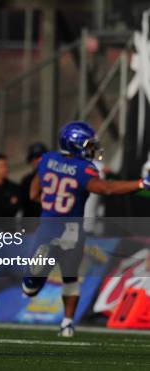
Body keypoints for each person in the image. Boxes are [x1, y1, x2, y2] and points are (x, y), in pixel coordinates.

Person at [22, 121, 150, 337]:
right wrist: (141, 184)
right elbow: (106, 188)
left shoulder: (47, 159)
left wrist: (46, 200)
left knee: (31, 287)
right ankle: (68, 323)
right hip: (73, 230)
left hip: (50, 226)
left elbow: (33, 193)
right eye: (88, 145)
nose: (92, 149)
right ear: (75, 145)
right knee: (70, 278)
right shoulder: (84, 169)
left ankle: (35, 275)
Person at [19, 143, 48, 217]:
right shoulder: (26, 180)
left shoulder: (53, 177)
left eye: (40, 157)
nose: (38, 160)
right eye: (35, 158)